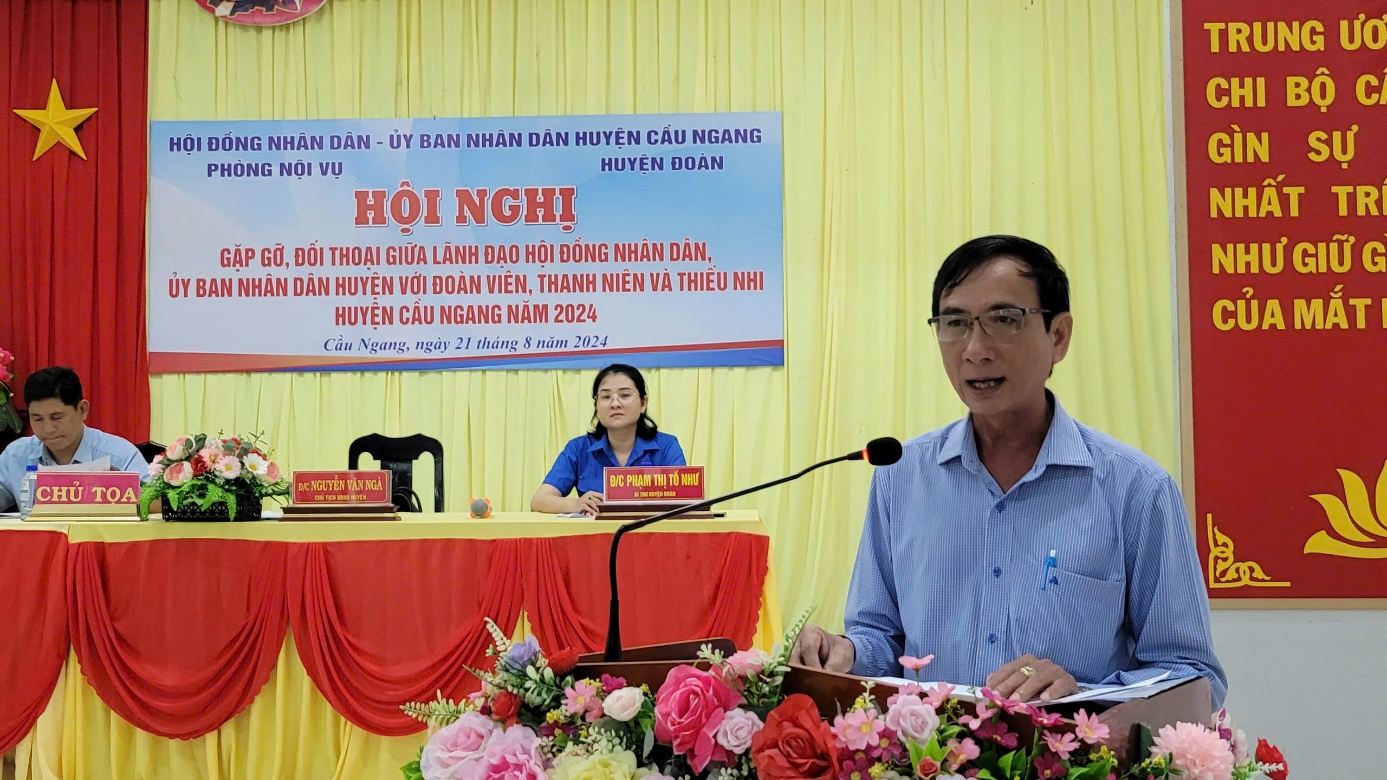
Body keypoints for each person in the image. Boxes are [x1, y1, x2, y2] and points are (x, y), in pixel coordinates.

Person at [790, 235, 1227, 710]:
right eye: (955, 323)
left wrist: (1084, 695)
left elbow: (1193, 678)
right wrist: (845, 653)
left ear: (1058, 336)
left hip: (1069, 749)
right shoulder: (900, 477)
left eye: (1003, 320)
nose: (975, 349)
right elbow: (882, 640)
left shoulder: (1136, 490)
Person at [531, 364, 686, 515]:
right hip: (595, 532)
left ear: (643, 403)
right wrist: (576, 504)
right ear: (596, 405)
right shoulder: (579, 448)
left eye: (625, 395)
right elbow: (539, 500)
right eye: (606, 397)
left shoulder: (667, 446)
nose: (615, 404)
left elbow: (683, 501)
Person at [0, 366, 148, 510]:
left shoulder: (120, 454)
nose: (48, 429)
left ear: (82, 410)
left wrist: (123, 488)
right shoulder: (16, 455)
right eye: (37, 419)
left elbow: (156, 502)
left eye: (56, 417)